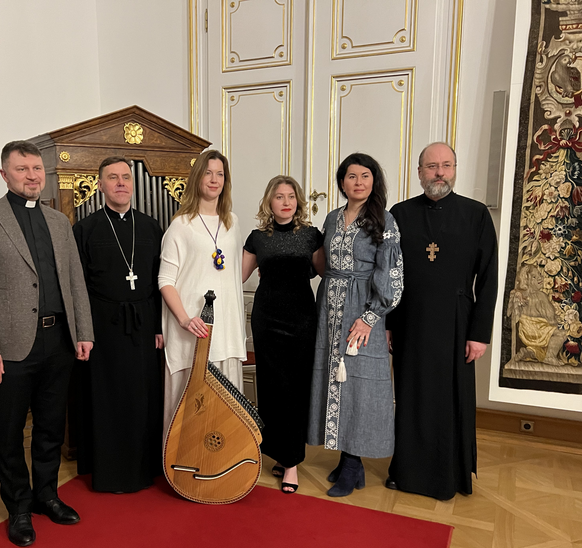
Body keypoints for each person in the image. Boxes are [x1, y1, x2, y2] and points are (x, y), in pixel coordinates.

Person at [0, 140, 94, 547]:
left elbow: (74, 282)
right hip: (10, 347)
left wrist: (83, 331)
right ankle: (19, 507)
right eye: (22, 169)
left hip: (58, 342)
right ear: (4, 174)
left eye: (37, 168)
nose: (33, 175)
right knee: (10, 431)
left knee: (52, 426)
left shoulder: (58, 222)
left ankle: (47, 495)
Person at [386, 142, 497, 501]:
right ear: (419, 172)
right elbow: (389, 273)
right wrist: (387, 322)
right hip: (409, 320)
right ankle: (405, 470)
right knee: (410, 394)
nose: (439, 172)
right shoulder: (400, 214)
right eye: (431, 166)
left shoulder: (476, 214)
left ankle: (451, 473)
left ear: (454, 169)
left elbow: (490, 276)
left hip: (456, 321)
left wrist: (479, 334)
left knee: (451, 398)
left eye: (446, 165)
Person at [308, 153, 403, 498]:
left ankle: (352, 463)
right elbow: (322, 262)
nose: (358, 182)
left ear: (374, 182)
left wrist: (369, 318)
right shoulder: (333, 218)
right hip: (329, 309)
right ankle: (348, 458)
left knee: (360, 386)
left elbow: (392, 276)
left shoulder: (384, 220)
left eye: (365, 176)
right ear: (342, 181)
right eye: (351, 176)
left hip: (362, 312)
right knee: (333, 379)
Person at [73, 156, 164, 493]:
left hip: (143, 325)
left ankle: (146, 466)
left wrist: (159, 326)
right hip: (103, 325)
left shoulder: (152, 226)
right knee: (108, 397)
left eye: (126, 177)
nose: (121, 183)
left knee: (142, 395)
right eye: (113, 178)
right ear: (100, 185)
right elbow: (77, 285)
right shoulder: (85, 229)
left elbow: (160, 281)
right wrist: (84, 331)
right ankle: (110, 469)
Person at [242, 176, 324, 494]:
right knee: (272, 388)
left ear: (298, 201)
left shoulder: (311, 236)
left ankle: (291, 463)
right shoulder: (257, 238)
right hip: (266, 320)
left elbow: (327, 273)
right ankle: (279, 452)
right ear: (269, 202)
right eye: (279, 196)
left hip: (302, 321)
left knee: (295, 390)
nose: (286, 201)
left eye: (291, 196)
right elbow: (236, 274)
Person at [159, 149, 246, 434]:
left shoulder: (232, 223)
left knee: (224, 410)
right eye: (208, 173)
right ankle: (182, 465)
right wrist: (185, 319)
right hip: (194, 330)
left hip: (226, 330)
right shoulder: (180, 226)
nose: (214, 179)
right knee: (192, 406)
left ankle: (223, 468)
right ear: (197, 178)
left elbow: (233, 277)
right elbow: (165, 281)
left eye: (220, 174)